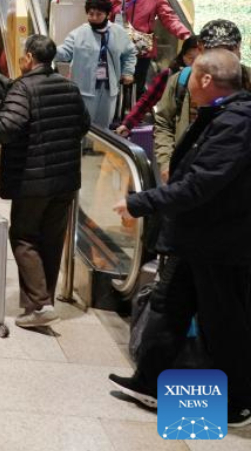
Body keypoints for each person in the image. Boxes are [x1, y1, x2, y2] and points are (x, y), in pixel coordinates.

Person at [110, 49, 251, 429]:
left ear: (207, 80)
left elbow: (201, 185)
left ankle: (238, 403)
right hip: (198, 238)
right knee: (168, 307)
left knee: (223, 323)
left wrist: (141, 202)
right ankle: (150, 384)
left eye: (192, 77)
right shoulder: (224, 113)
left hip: (219, 243)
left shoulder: (236, 121)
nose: (186, 85)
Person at [0, 35, 90, 328]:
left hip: (33, 179)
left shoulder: (23, 88)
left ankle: (39, 305)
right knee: (52, 240)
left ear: (28, 57)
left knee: (24, 236)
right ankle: (43, 302)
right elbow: (83, 125)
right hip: (65, 179)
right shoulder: (70, 87)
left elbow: (7, 128)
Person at [153, 19, 251, 182]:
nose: (222, 57)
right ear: (200, 49)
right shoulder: (182, 80)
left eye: (229, 50)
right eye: (214, 50)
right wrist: (166, 163)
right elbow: (164, 121)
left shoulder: (248, 80)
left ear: (239, 49)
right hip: (188, 176)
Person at [107, 0, 191, 96]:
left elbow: (169, 18)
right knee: (112, 85)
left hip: (142, 51)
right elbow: (106, 20)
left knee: (138, 87)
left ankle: (134, 113)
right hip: (117, 48)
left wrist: (185, 34)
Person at [55, 0, 136, 128]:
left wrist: (128, 72)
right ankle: (83, 149)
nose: (94, 18)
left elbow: (130, 52)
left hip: (109, 90)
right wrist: (50, 50)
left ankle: (100, 150)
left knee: (104, 127)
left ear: (108, 15)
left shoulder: (118, 32)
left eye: (98, 14)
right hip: (84, 89)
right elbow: (65, 52)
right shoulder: (78, 33)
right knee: (82, 126)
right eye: (91, 14)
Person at [116, 35, 200, 137]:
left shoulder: (212, 80)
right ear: (183, 56)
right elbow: (147, 100)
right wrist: (127, 124)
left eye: (200, 57)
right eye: (190, 57)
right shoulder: (170, 75)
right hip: (171, 135)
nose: (195, 62)